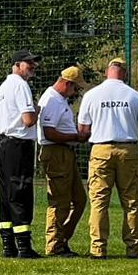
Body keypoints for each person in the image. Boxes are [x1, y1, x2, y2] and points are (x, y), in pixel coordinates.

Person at [76, 59, 138, 258]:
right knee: (131, 201)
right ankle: (134, 248)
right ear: (124, 73)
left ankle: (98, 248)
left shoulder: (91, 95)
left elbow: (83, 129)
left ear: (106, 72)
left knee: (99, 201)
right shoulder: (135, 96)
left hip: (100, 149)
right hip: (128, 150)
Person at [0, 50, 41, 258]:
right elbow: (28, 120)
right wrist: (38, 109)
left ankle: (8, 245)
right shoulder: (21, 85)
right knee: (20, 192)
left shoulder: (2, 88)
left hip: (1, 144)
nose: (33, 68)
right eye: (29, 64)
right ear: (17, 65)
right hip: (18, 145)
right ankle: (24, 247)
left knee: (5, 195)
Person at [37, 64, 89, 257]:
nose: (75, 92)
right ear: (67, 83)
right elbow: (49, 133)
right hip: (56, 153)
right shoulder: (52, 100)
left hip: (65, 153)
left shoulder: (60, 100)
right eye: (75, 88)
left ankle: (62, 238)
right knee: (60, 202)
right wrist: (75, 137)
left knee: (79, 200)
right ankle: (54, 245)